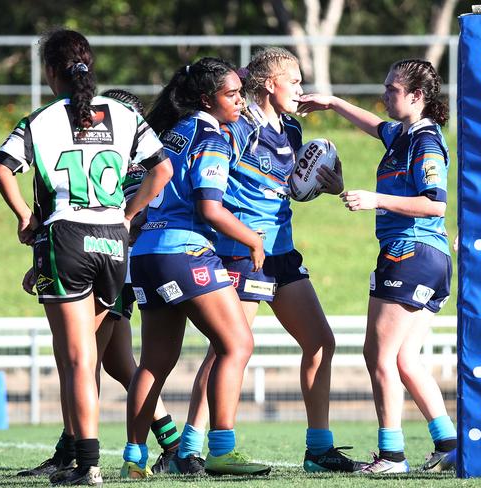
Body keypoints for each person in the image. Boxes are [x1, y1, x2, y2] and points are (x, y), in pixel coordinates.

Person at [170, 47, 366, 475]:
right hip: (242, 252)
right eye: (294, 82)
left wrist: (327, 186)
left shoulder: (293, 130)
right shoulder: (238, 128)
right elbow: (210, 180)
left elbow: (290, 186)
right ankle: (189, 449)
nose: (300, 90)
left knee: (320, 342)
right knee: (227, 351)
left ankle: (319, 450)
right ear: (270, 84)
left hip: (281, 252)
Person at [0, 29, 173, 486]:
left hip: (66, 236)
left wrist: (24, 215)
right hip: (114, 241)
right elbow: (162, 169)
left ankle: (86, 464)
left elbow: (1, 167)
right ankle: (80, 455)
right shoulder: (126, 114)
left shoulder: (41, 119)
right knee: (93, 355)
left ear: (52, 72)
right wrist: (128, 213)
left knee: (75, 359)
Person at [298, 58, 457, 474]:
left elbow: (434, 203)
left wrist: (375, 199)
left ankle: (392, 455)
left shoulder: (424, 141)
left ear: (418, 96)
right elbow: (373, 125)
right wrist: (331, 103)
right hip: (427, 258)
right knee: (406, 359)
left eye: (393, 90)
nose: (385, 95)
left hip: (411, 253)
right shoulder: (403, 135)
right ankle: (449, 443)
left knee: (378, 356)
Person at [120, 57, 271, 478]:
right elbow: (210, 207)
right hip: (185, 252)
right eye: (232, 95)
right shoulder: (211, 137)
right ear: (207, 98)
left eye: (241, 94)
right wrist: (253, 238)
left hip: (148, 253)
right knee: (237, 345)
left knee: (154, 362)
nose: (240, 102)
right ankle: (222, 449)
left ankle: (133, 460)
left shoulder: (174, 132)